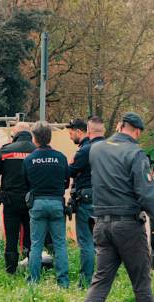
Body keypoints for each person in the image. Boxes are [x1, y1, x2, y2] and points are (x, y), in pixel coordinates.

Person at [75, 112, 154, 302]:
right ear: (137, 131)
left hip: (101, 224)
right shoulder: (135, 154)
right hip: (128, 226)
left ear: (120, 126)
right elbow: (146, 194)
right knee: (141, 284)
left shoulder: (96, 150)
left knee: (100, 282)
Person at [23, 121, 71, 287]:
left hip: (37, 204)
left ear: (34, 139)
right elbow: (66, 182)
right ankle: (63, 281)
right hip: (57, 203)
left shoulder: (29, 159)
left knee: (36, 244)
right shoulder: (61, 157)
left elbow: (25, 183)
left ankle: (34, 280)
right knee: (60, 244)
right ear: (49, 137)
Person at [0, 122, 37, 274]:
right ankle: (29, 267)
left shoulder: (6, 150)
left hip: (10, 201)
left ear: (14, 135)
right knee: (30, 235)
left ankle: (11, 270)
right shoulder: (36, 151)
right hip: (31, 201)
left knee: (11, 236)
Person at [68, 116, 105, 287]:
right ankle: (104, 280)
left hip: (86, 200)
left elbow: (71, 171)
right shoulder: (109, 148)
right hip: (105, 199)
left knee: (86, 242)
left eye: (71, 131)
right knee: (103, 243)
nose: (69, 135)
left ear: (85, 131)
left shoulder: (85, 150)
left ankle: (85, 281)